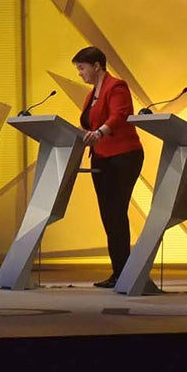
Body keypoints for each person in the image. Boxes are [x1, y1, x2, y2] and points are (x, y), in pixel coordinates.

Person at [74, 46, 143, 288]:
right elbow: (89, 122)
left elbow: (119, 115)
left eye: (82, 68)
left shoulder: (116, 86)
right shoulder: (92, 92)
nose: (80, 73)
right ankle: (119, 271)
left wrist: (99, 132)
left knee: (116, 213)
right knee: (109, 216)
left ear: (96, 66)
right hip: (101, 158)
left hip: (123, 156)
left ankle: (125, 272)